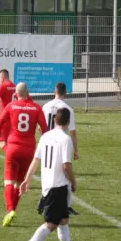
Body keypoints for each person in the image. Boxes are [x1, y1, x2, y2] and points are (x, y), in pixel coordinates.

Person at [17, 108, 87, 241]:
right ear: (68, 122)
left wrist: (27, 180)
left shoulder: (45, 136)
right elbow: (66, 165)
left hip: (48, 185)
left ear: (55, 120)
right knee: (52, 223)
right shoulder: (65, 139)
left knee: (64, 220)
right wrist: (74, 182)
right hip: (58, 187)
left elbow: (35, 160)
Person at [0, 82, 48, 226]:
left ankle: (10, 210)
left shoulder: (11, 106)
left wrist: (0, 138)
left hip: (13, 147)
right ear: (28, 93)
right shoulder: (36, 108)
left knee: (8, 181)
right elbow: (45, 129)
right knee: (19, 184)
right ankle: (12, 210)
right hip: (28, 149)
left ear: (16, 94)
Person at [42, 82, 80, 216]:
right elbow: (73, 131)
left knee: (49, 172)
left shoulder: (46, 106)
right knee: (66, 172)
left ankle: (46, 199)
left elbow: (40, 126)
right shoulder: (67, 109)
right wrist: (76, 150)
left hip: (47, 142)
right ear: (65, 93)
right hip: (61, 142)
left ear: (54, 91)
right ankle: (66, 206)